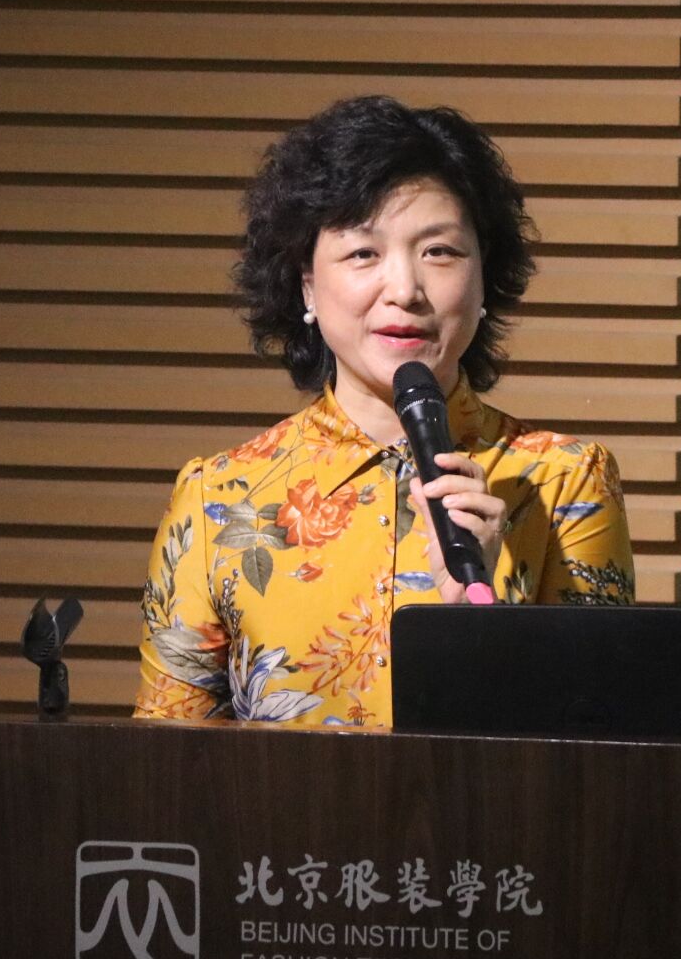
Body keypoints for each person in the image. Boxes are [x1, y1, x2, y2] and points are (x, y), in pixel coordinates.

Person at [133, 95, 634, 727]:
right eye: (363, 253)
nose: (404, 290)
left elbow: (599, 744)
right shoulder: (218, 498)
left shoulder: (566, 482)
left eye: (439, 252)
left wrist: (482, 612)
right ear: (307, 283)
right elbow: (167, 761)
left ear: (485, 277)